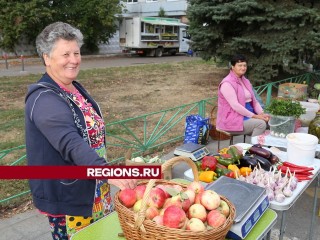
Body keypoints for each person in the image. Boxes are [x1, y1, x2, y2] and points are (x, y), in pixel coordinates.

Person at [25, 22, 137, 240]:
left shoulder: (73, 87)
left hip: (95, 189)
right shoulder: (44, 98)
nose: (74, 59)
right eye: (65, 54)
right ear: (47, 58)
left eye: (76, 52)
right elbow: (71, 143)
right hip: (71, 199)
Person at [216, 54, 269, 137]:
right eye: (239, 65)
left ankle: (264, 147)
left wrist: (262, 114)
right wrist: (255, 116)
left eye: (244, 65)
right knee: (261, 124)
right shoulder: (227, 83)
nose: (243, 68)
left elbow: (254, 102)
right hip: (232, 119)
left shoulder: (245, 80)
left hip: (247, 114)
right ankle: (253, 149)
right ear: (232, 67)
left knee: (270, 120)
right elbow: (235, 105)